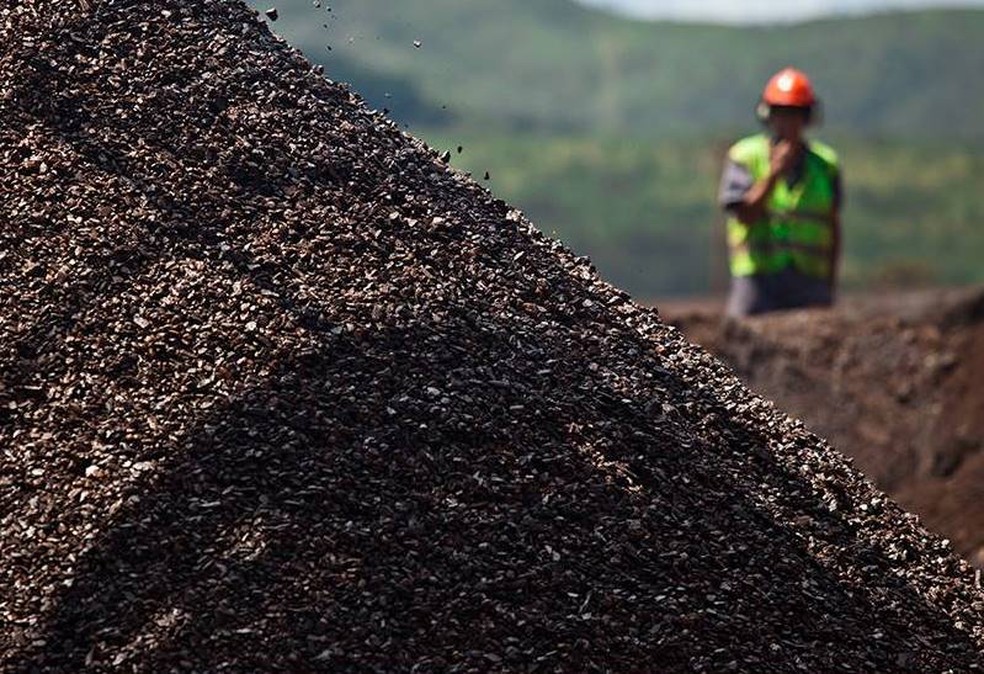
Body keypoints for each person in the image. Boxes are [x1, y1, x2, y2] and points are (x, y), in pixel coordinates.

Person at [718, 67, 842, 317]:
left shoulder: (825, 165)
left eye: (795, 114)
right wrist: (774, 173)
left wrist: (829, 286)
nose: (788, 122)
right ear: (768, 115)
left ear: (807, 117)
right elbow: (745, 215)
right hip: (757, 281)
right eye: (782, 113)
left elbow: (833, 227)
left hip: (809, 282)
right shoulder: (745, 157)